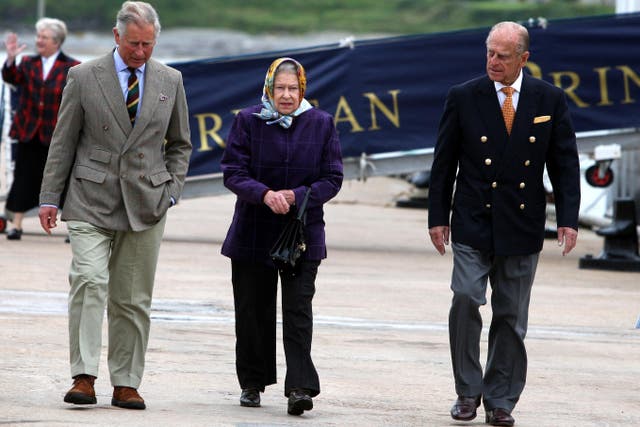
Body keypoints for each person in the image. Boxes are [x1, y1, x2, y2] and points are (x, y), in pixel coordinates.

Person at [38, 1, 191, 410]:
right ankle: (84, 376)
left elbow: (180, 144)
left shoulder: (170, 79)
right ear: (116, 35)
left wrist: (172, 190)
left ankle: (126, 382)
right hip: (90, 196)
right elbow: (63, 141)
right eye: (134, 44)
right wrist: (50, 196)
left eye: (148, 44)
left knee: (132, 298)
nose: (140, 52)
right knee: (89, 281)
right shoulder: (84, 76)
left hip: (146, 201)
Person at [428, 21, 580, 427]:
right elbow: (443, 162)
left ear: (523, 59)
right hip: (473, 218)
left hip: (522, 222)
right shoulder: (464, 97)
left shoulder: (548, 98)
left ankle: (500, 401)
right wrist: (436, 217)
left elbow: (564, 163)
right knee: (465, 298)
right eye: (490, 53)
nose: (493, 61)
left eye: (503, 56)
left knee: (511, 316)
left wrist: (567, 219)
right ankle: (466, 391)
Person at [220, 57, 343, 416]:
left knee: (298, 310)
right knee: (253, 310)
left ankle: (300, 387)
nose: (286, 96)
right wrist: (264, 194)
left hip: (301, 233)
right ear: (269, 89)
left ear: (302, 89)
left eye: (293, 89)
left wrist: (296, 196)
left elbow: (332, 178)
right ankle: (252, 383)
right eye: (280, 89)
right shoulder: (247, 120)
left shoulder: (321, 123)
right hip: (253, 229)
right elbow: (232, 172)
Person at [2, 18, 80, 240]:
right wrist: (10, 58)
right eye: (38, 37)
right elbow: (10, 77)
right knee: (23, 178)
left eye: (44, 37)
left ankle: (71, 228)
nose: (39, 41)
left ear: (56, 41)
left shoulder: (72, 67)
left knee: (63, 181)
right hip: (29, 131)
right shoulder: (27, 62)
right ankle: (15, 225)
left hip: (57, 134)